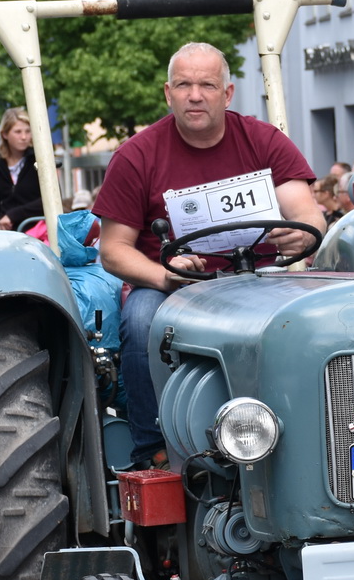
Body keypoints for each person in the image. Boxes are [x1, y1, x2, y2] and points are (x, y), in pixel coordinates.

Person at [94, 42, 321, 471]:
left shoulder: (264, 141)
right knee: (141, 319)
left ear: (228, 93)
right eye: (183, 85)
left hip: (261, 278)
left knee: (316, 320)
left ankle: (309, 436)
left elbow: (308, 215)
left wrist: (298, 235)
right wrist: (165, 274)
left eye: (206, 85)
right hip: (175, 289)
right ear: (167, 93)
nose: (195, 95)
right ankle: (152, 451)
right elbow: (113, 250)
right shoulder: (136, 156)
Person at [0, 108, 45, 231]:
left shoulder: (40, 158)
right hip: (7, 233)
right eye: (18, 132)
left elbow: (51, 198)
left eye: (28, 131)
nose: (24, 137)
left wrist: (13, 215)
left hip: (37, 230)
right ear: (4, 134)